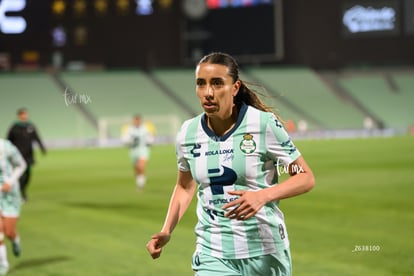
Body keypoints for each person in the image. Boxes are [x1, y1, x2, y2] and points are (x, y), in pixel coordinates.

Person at [146, 52, 315, 276]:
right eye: (201, 84)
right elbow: (184, 186)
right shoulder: (188, 133)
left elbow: (305, 177)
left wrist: (263, 195)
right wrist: (167, 229)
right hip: (213, 253)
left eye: (217, 84)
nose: (208, 93)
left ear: (235, 88)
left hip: (265, 252)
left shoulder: (263, 124)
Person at [6, 108, 46, 202]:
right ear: (19, 116)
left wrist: (42, 148)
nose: (25, 116)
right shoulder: (14, 127)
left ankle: (23, 190)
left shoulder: (31, 126)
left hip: (28, 155)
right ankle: (21, 192)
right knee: (19, 174)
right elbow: (8, 140)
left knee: (28, 174)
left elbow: (37, 137)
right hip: (17, 155)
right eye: (23, 114)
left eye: (26, 114)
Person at [0, 138, 27, 275]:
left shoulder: (5, 147)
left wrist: (9, 182)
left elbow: (22, 165)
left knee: (8, 231)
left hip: (9, 194)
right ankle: (3, 263)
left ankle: (15, 239)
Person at [121, 114, 153, 190]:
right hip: (133, 151)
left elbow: (150, 138)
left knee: (141, 166)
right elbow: (124, 140)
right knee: (136, 168)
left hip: (143, 149)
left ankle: (141, 183)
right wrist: (129, 141)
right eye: (136, 120)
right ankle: (139, 181)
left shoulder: (145, 128)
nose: (137, 122)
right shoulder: (129, 129)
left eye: (138, 120)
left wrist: (150, 142)